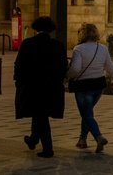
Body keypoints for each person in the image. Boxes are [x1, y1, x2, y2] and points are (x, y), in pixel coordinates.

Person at [14, 16, 67, 159]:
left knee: (40, 116)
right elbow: (63, 67)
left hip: (33, 87)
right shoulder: (58, 45)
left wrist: (19, 83)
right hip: (52, 87)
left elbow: (19, 66)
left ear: (35, 28)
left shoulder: (28, 44)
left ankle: (48, 149)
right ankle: (33, 139)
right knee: (40, 115)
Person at [68, 23, 113, 152]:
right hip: (98, 85)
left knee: (86, 114)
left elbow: (75, 69)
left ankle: (99, 136)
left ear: (82, 34)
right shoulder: (102, 48)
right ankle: (82, 140)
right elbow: (110, 66)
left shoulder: (78, 49)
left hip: (83, 86)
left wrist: (68, 76)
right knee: (88, 113)